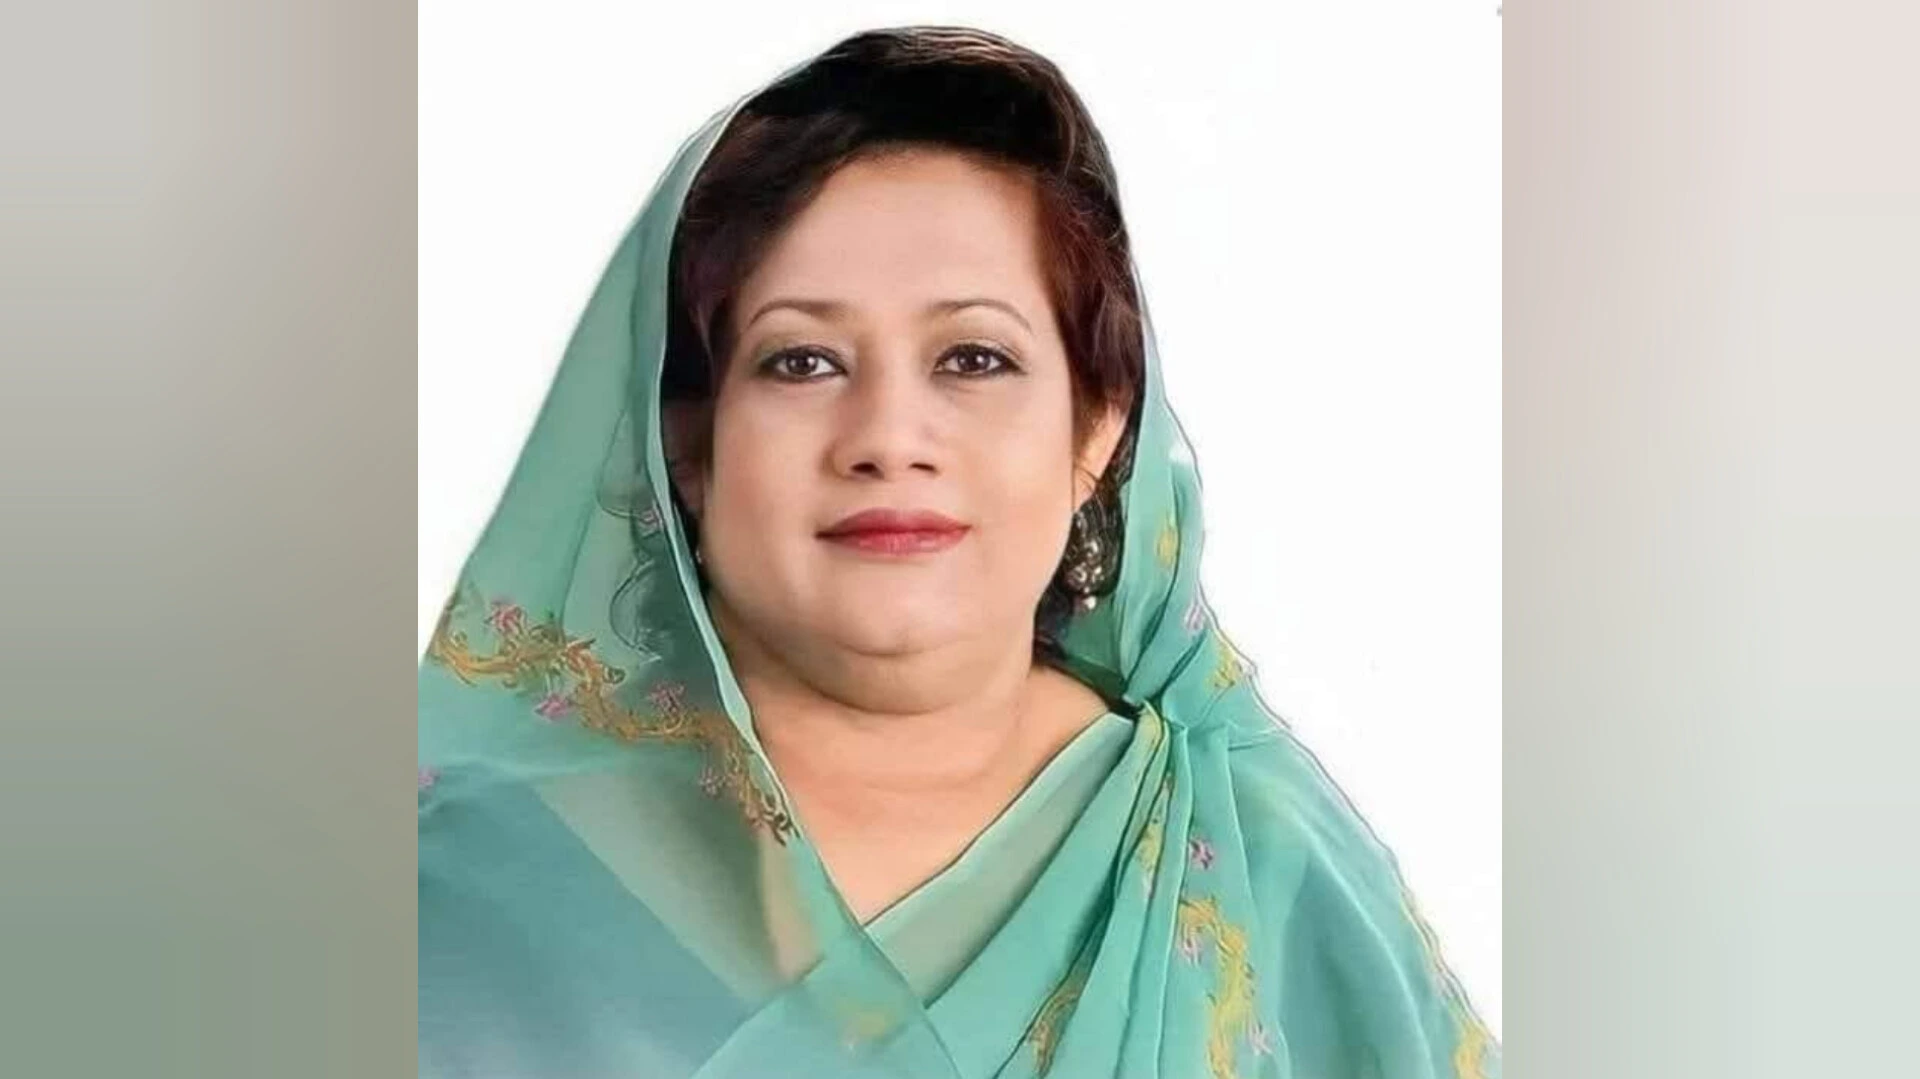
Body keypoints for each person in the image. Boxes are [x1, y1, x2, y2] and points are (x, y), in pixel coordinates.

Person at [419, 25, 1499, 1079]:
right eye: (802, 361)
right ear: (687, 447)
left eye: (974, 357)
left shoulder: (1253, 866)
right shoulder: (457, 888)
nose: (890, 438)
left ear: (1096, 428)